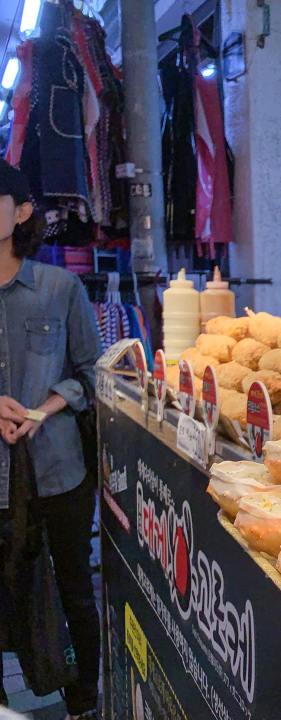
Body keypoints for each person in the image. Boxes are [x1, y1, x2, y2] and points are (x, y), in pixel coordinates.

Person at [0, 160, 101, 719]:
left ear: (21, 212)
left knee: (73, 588)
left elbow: (92, 370)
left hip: (57, 464)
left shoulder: (60, 286)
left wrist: (42, 407)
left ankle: (84, 697)